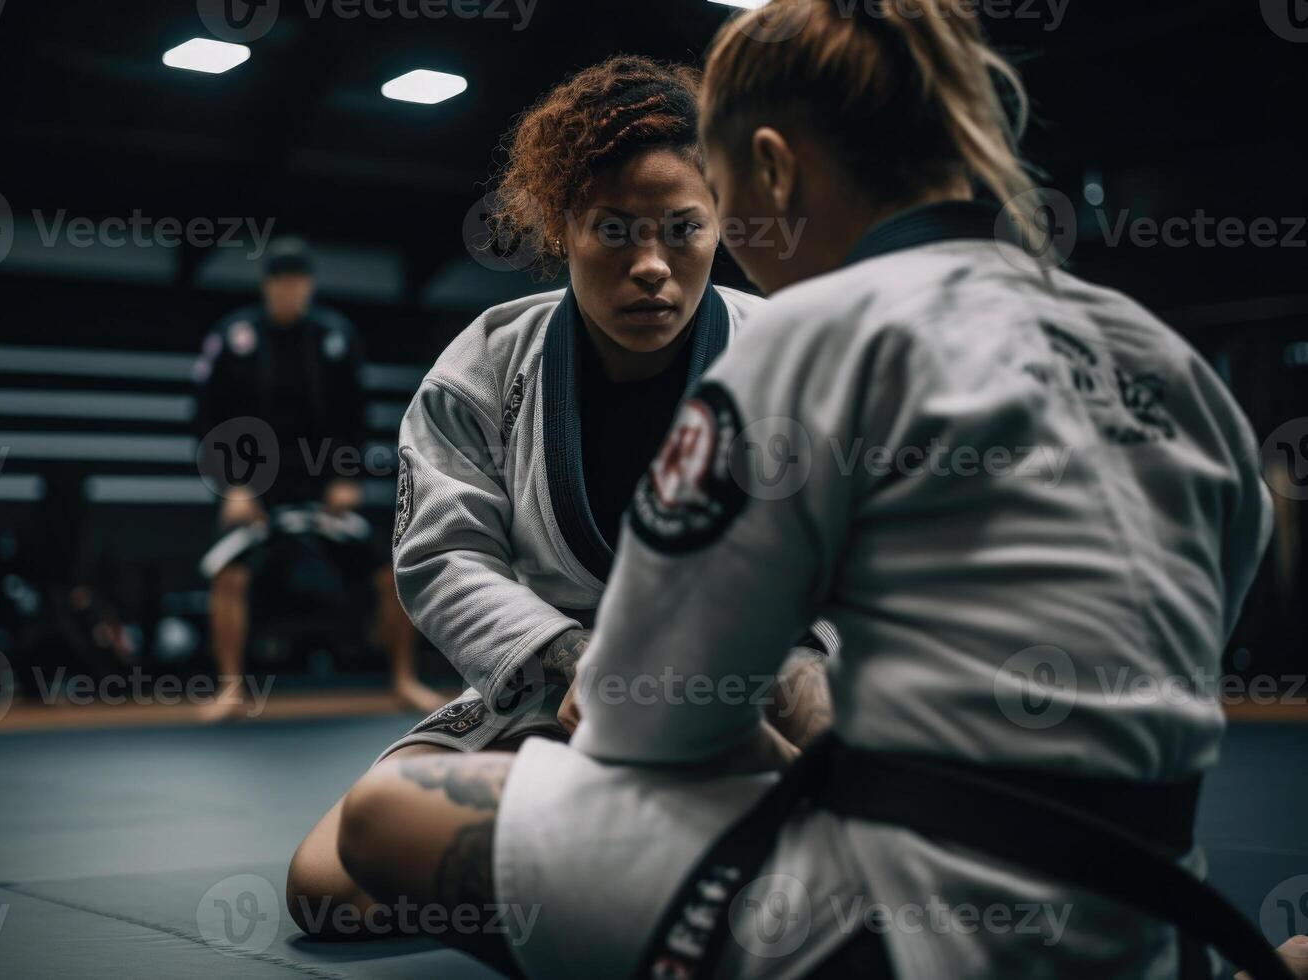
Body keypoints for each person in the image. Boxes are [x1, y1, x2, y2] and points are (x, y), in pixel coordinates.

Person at [330, 3, 1308, 978]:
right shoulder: (1161, 357)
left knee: (381, 818)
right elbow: (1219, 597)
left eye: (703, 213)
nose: (669, 263)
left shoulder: (801, 342)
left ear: (768, 169)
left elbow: (645, 724)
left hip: (903, 929)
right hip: (1149, 910)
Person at [285, 56, 838, 939]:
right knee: (324, 889)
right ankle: (695, 876)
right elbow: (443, 554)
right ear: (561, 226)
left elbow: (844, 556)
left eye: (682, 229)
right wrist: (577, 661)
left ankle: (711, 860)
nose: (651, 265)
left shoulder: (790, 350)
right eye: (613, 230)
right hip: (557, 683)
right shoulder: (488, 362)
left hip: (750, 675)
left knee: (821, 700)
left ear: (721, 219)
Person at [193, 241, 441, 721]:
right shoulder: (233, 336)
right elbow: (207, 419)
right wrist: (233, 487)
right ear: (267, 286)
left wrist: (346, 477)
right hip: (254, 484)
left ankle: (403, 679)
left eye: (298, 280)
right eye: (280, 281)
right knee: (228, 574)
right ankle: (230, 688)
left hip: (325, 481)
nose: (289, 290)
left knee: (390, 571)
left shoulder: (335, 336)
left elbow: (356, 414)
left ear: (308, 285)